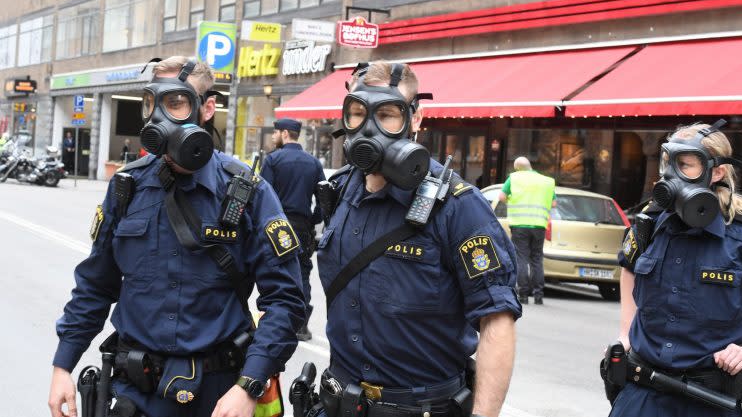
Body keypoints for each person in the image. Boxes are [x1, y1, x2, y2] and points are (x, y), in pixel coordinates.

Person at [48, 56, 306, 417]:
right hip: (135, 392)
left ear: (207, 108)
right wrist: (63, 366)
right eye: (153, 104)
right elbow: (95, 284)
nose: (160, 117)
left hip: (220, 395)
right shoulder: (128, 187)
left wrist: (250, 385)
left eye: (176, 103)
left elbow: (286, 300)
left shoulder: (247, 190)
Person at [311, 61, 520, 417]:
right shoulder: (340, 190)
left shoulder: (458, 206)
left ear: (416, 119)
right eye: (358, 113)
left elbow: (497, 321)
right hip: (339, 403)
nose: (370, 127)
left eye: (388, 114)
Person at [604, 121, 742, 417]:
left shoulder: (740, 235)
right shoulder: (648, 224)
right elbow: (628, 267)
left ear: (716, 172)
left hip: (713, 400)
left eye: (685, 165)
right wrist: (626, 333)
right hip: (642, 394)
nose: (670, 175)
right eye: (668, 163)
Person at [260, 118, 326, 342]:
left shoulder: (273, 160)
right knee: (303, 273)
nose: (272, 137)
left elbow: (261, 196)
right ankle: (301, 325)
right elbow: (324, 200)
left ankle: (277, 323)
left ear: (285, 133)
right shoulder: (314, 163)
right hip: (302, 226)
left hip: (276, 226)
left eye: (275, 132)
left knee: (275, 271)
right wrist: (312, 219)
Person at [498, 157, 556, 305]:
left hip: (519, 224)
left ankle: (523, 294)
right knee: (537, 259)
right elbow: (554, 203)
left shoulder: (514, 178)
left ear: (517, 168)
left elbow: (502, 197)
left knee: (521, 258)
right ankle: (538, 295)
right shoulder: (547, 181)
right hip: (539, 225)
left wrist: (512, 200)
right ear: (530, 166)